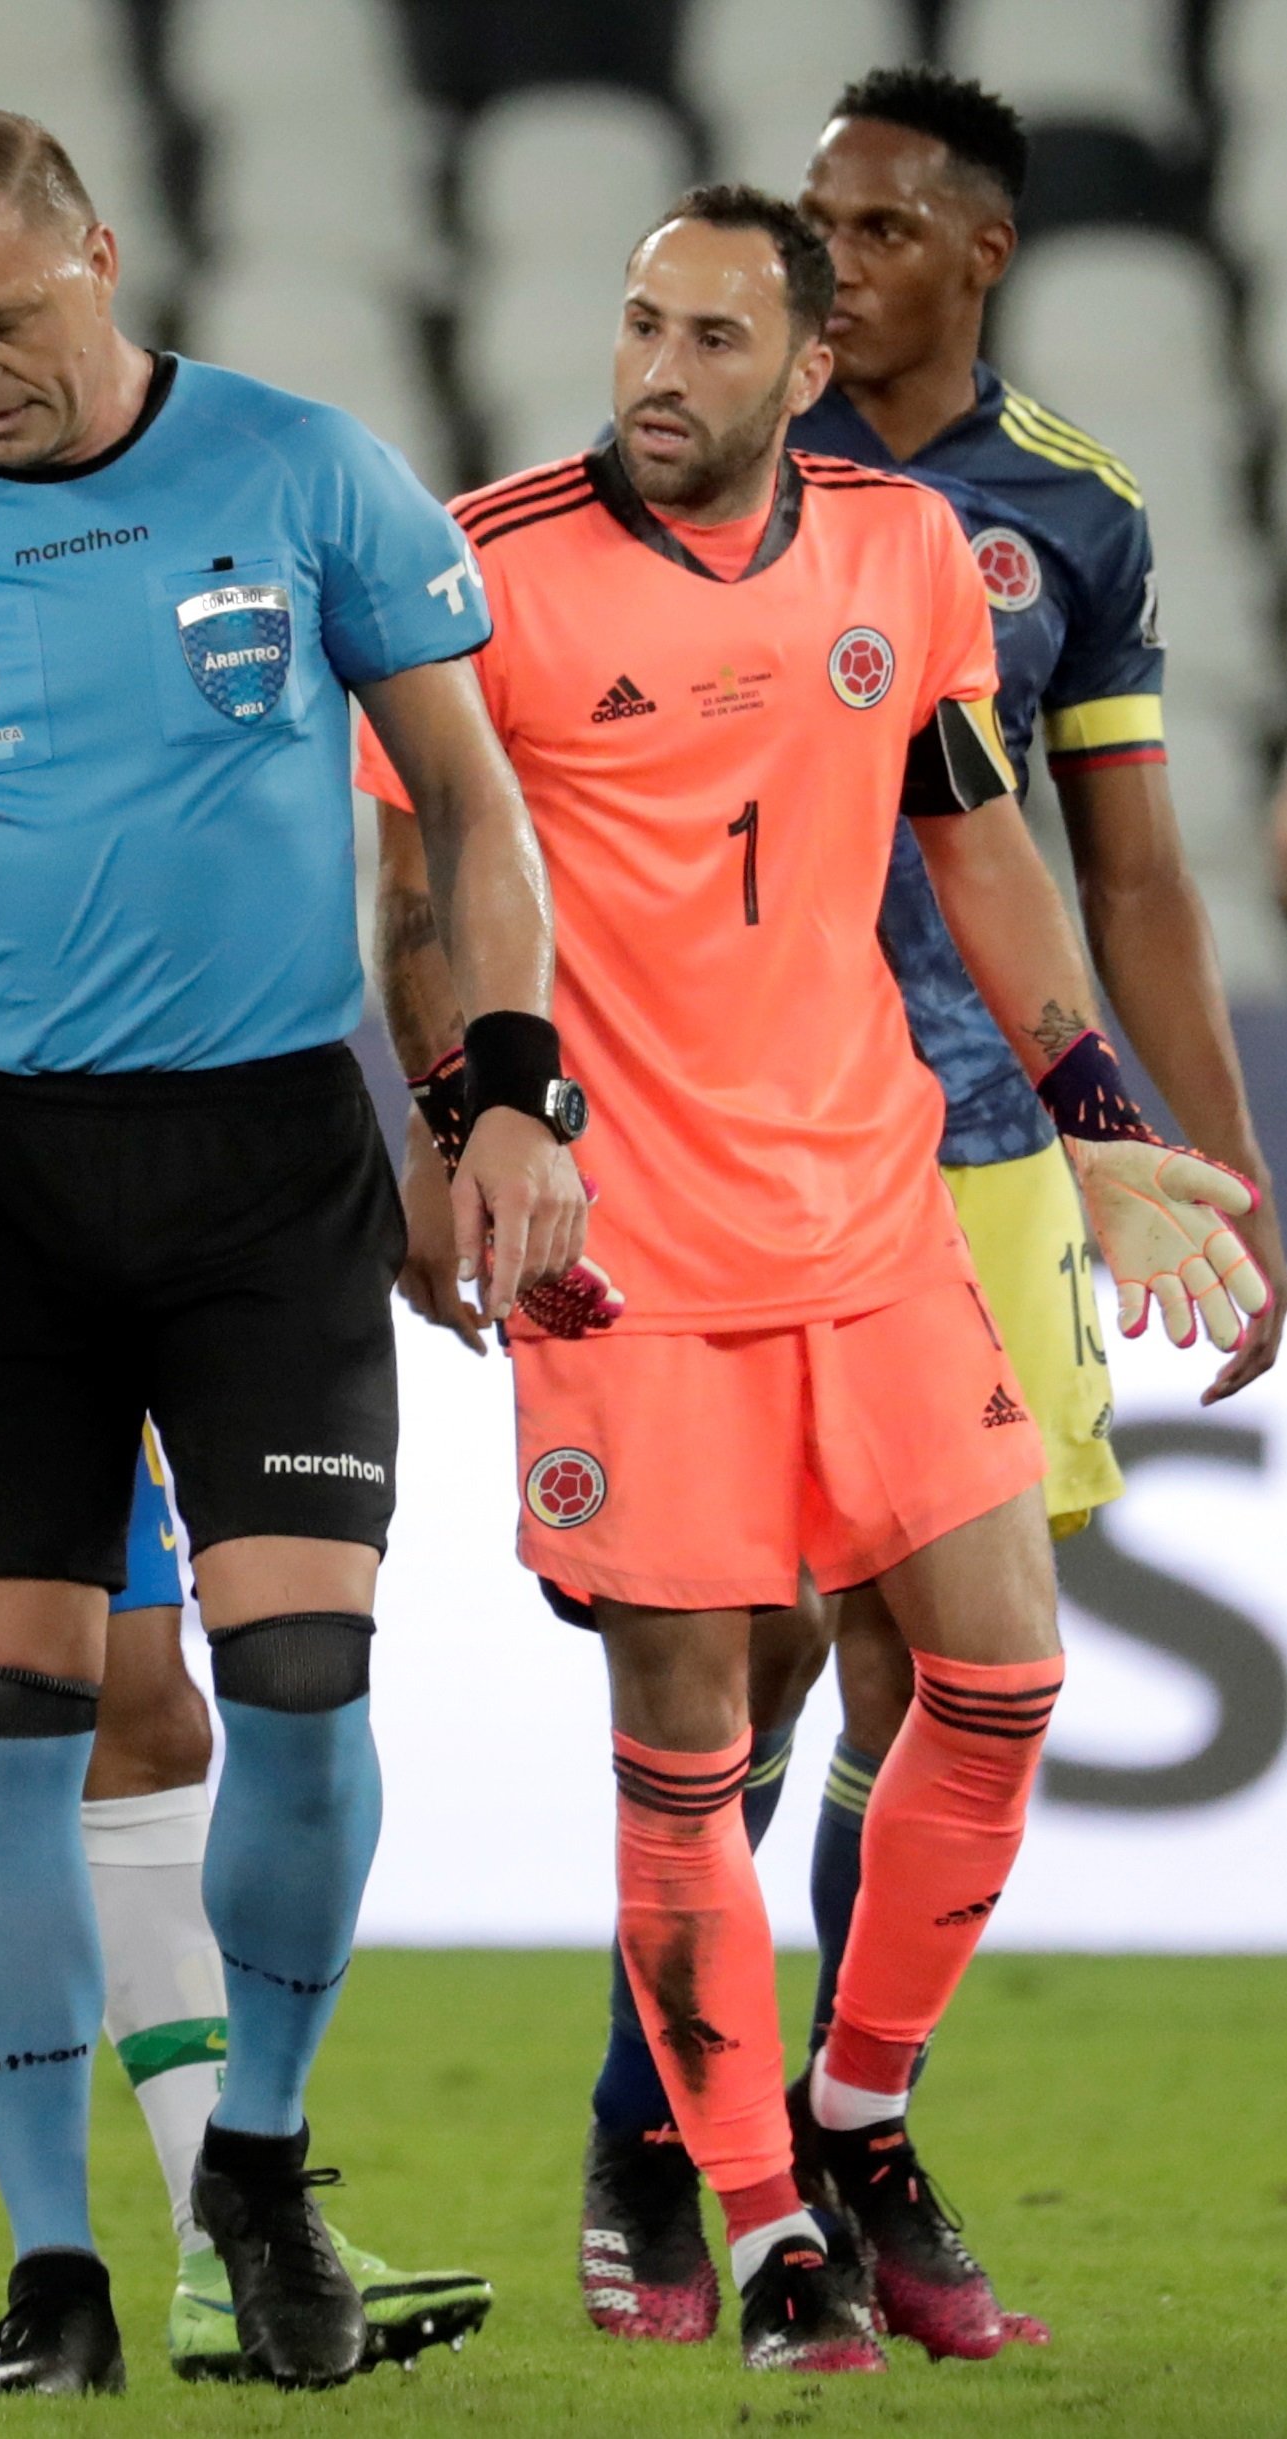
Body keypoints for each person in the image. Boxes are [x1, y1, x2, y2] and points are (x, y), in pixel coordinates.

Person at [0, 112, 587, 2395]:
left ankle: (261, 2167)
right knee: (9, 1733)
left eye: (8, 312)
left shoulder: (307, 475)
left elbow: (474, 802)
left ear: (100, 252)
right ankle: (54, 2274)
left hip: (274, 1162)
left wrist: (499, 1092)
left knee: (300, 1692)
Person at [363, 189, 1266, 2373]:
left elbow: (981, 839)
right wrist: (454, 1111)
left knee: (1006, 1675)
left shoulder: (904, 556)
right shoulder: (489, 568)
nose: (655, 374)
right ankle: (758, 2217)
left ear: (802, 366)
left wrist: (1091, 1103)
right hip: (625, 1252)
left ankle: (859, 2115)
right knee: (696, 1743)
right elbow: (413, 878)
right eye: (636, 322)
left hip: (873, 1215)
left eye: (706, 339)